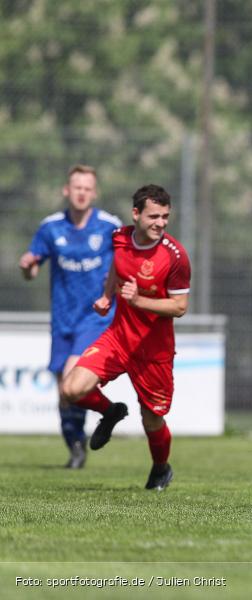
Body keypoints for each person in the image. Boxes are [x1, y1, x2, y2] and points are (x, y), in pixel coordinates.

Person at [60, 185, 190, 490]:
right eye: (154, 216)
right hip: (118, 338)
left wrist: (138, 301)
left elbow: (180, 306)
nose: (161, 223)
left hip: (153, 352)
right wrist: (107, 297)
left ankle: (161, 468)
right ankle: (111, 411)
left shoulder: (175, 256)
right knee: (71, 389)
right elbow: (116, 271)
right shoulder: (120, 237)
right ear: (136, 214)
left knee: (152, 420)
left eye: (165, 217)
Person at [18, 165, 121, 469]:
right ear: (67, 190)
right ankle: (76, 444)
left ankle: (108, 413)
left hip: (95, 317)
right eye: (77, 187)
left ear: (94, 192)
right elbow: (32, 268)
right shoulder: (51, 227)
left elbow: (125, 261)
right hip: (62, 319)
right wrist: (27, 266)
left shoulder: (108, 225)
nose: (81, 193)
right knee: (64, 390)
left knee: (73, 378)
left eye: (87, 188)